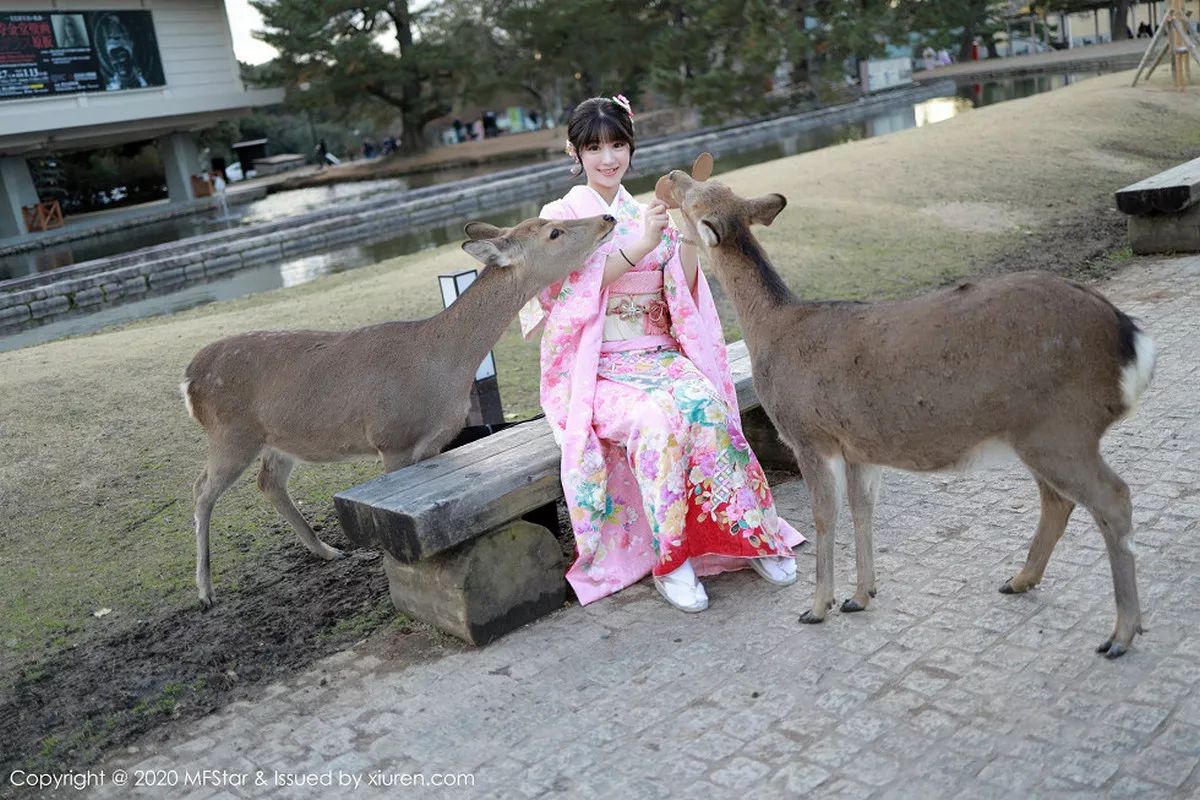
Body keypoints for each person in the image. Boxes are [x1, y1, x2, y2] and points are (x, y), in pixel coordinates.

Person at [518, 95, 804, 613]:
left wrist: (686, 237)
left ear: (631, 147)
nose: (608, 158)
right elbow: (556, 301)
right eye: (595, 147)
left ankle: (747, 536)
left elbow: (686, 293)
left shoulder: (648, 209)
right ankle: (673, 561)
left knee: (708, 405)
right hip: (598, 366)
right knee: (655, 421)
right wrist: (637, 248)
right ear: (574, 152)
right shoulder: (559, 216)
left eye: (618, 145)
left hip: (657, 352)